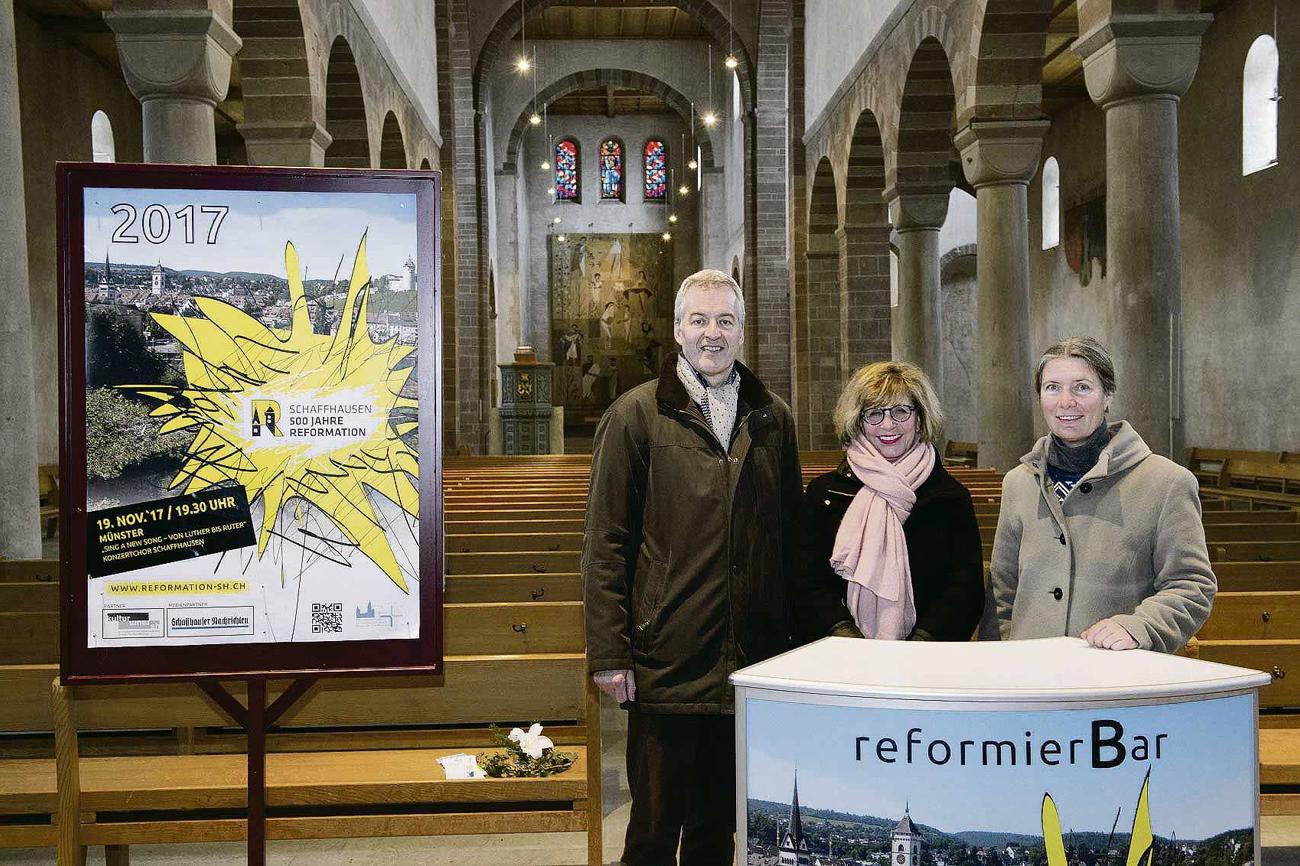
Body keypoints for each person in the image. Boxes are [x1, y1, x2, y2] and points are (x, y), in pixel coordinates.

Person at [583, 268, 802, 865]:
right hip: (666, 659)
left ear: (741, 331)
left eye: (725, 321)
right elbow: (607, 541)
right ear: (678, 330)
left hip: (747, 660)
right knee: (652, 834)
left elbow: (789, 540)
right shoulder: (637, 416)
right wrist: (609, 653)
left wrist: (793, 649)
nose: (713, 333)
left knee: (716, 834)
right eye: (699, 321)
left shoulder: (771, 416)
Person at [982, 336, 1216, 653]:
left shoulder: (1166, 482)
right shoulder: (1018, 483)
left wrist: (1138, 626)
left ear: (1107, 395)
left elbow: (1192, 586)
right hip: (1030, 677)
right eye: (1052, 387)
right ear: (1040, 396)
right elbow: (1003, 590)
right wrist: (1001, 659)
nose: (1066, 402)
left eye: (1082, 387)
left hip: (1115, 678)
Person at [795, 362, 984, 643]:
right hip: (837, 655)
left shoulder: (950, 497)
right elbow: (807, 580)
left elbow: (964, 588)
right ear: (857, 420)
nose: (887, 425)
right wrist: (843, 634)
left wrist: (921, 642)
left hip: (926, 660)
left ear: (919, 418)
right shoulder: (825, 493)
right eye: (874, 413)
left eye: (900, 411)